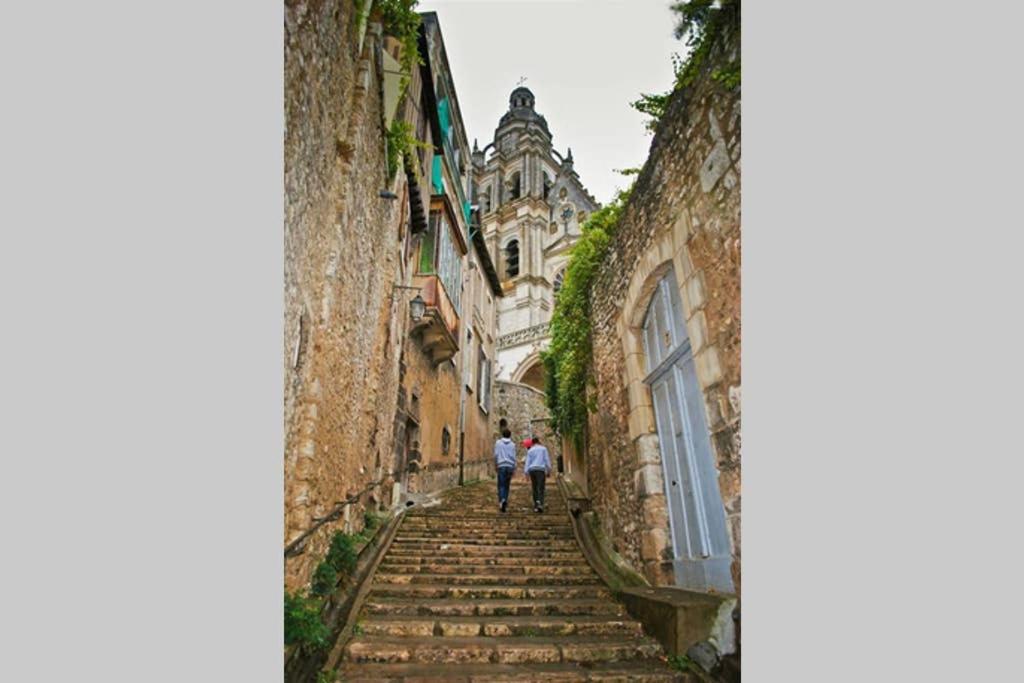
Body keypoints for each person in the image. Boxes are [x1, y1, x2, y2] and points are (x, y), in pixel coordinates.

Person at [524, 436, 552, 513]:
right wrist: (549, 470)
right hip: (540, 470)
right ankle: (540, 503)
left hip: (532, 470)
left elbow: (527, 462)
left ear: (532, 443)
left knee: (534, 487)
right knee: (541, 487)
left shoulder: (530, 451)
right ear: (538, 441)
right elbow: (546, 460)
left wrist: (526, 473)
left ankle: (536, 505)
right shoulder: (543, 449)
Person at [493, 428, 517, 513]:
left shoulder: (498, 443)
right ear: (510, 435)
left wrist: (495, 464)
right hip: (510, 466)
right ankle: (505, 500)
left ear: (502, 434)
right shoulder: (513, 445)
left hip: (501, 465)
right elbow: (514, 457)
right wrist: (514, 467)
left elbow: (496, 455)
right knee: (507, 485)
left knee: (501, 485)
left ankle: (502, 500)